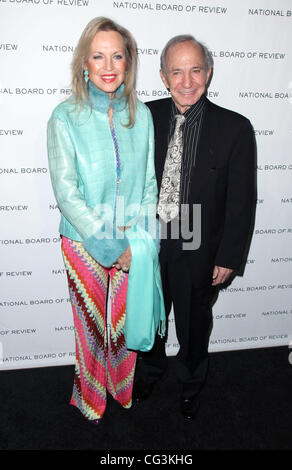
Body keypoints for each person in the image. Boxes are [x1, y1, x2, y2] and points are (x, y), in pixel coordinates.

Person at [47, 17, 164, 424]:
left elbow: (149, 183)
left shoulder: (141, 115)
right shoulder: (65, 117)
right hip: (84, 241)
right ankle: (90, 399)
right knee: (93, 328)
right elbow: (66, 194)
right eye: (98, 56)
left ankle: (122, 390)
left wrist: (141, 239)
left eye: (117, 55)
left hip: (134, 241)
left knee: (124, 324)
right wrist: (112, 246)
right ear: (84, 63)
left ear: (128, 64)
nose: (108, 65)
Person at [133, 35, 255, 420]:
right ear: (163, 76)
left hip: (199, 243)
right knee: (150, 316)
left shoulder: (235, 128)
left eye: (195, 70)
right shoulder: (142, 118)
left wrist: (228, 257)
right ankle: (149, 373)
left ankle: (190, 384)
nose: (187, 81)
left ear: (208, 72)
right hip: (150, 239)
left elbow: (241, 200)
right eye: (177, 71)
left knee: (193, 322)